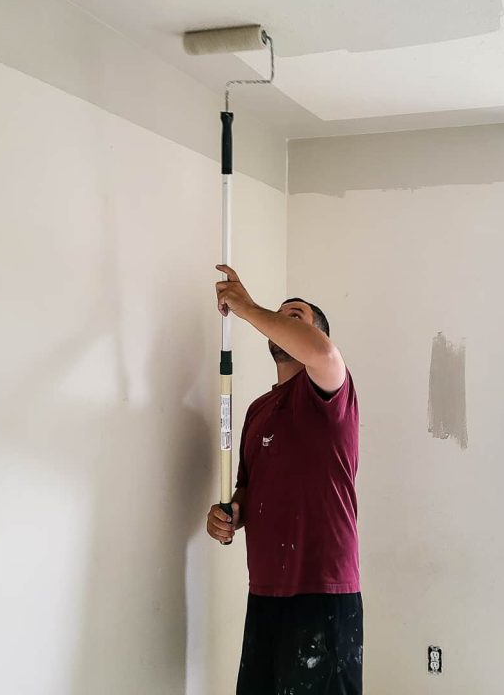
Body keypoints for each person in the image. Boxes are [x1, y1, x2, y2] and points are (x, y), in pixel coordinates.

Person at [206, 264, 362, 695]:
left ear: (318, 335)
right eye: (280, 316)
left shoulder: (331, 390)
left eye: (297, 317)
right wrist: (232, 514)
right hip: (267, 590)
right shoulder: (258, 411)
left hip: (324, 590)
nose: (282, 320)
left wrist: (248, 307)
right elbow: (249, 489)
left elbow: (324, 355)